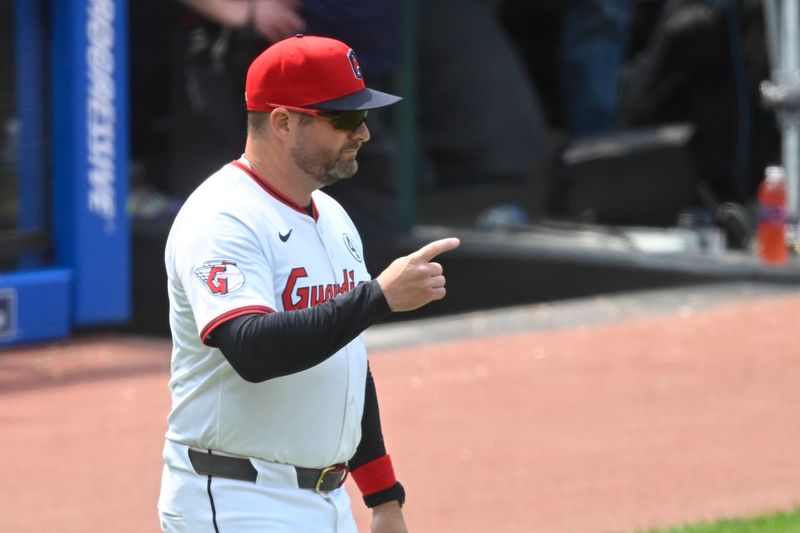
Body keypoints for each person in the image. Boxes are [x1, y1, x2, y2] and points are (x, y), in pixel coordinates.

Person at [157, 35, 460, 532]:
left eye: (363, 115)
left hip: (327, 501)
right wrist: (379, 296)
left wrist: (383, 497)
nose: (362, 131)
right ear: (282, 122)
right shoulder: (223, 218)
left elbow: (347, 365)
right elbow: (252, 350)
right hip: (236, 499)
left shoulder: (334, 216)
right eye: (342, 118)